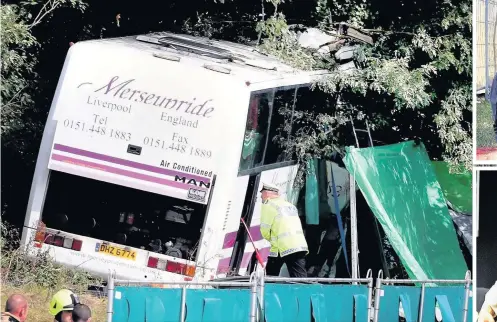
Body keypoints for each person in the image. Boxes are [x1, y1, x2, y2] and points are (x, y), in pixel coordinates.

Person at [259, 182, 309, 277]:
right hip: (299, 245)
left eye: (262, 193)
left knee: (270, 277)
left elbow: (265, 229)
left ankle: (270, 291)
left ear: (267, 193)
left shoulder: (269, 204)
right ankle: (303, 292)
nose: (261, 196)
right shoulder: (289, 205)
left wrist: (271, 238)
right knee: (300, 278)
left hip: (281, 247)